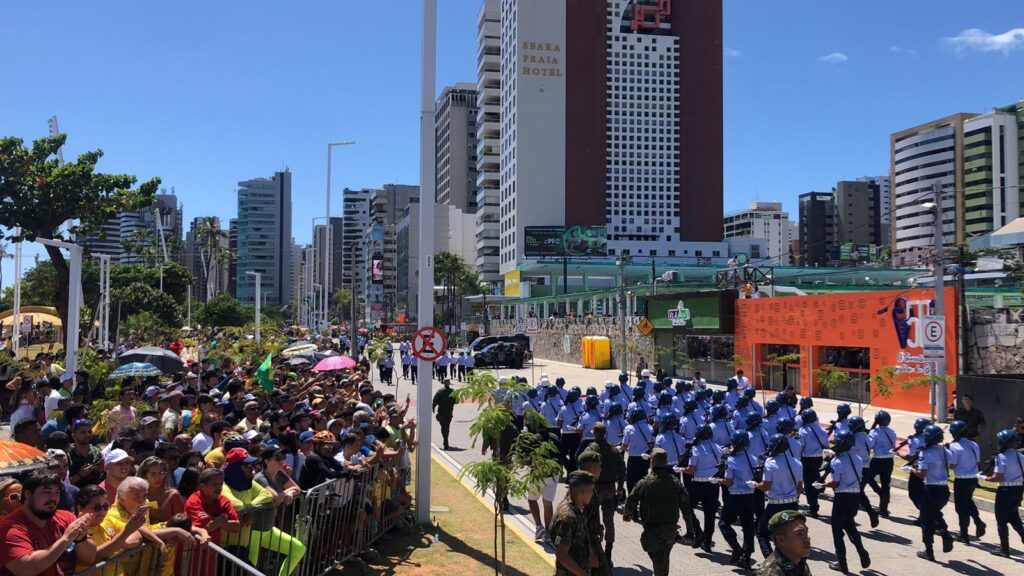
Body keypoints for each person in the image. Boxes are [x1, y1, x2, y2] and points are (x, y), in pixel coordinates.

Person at [0, 468, 97, 576]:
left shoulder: (66, 517)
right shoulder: (8, 529)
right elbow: (26, 569)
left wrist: (81, 538)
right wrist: (66, 539)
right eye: (47, 492)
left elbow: (89, 559)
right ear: (28, 494)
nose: (53, 498)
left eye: (57, 492)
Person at [624, 448, 695, 576]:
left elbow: (631, 500)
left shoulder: (645, 482)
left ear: (652, 462)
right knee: (662, 558)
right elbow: (686, 508)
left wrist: (627, 515)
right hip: (670, 530)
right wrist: (690, 531)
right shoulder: (676, 482)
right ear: (666, 462)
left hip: (652, 528)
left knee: (659, 559)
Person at [817, 430, 871, 573]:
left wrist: (823, 485)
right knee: (850, 525)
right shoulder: (857, 458)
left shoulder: (837, 462)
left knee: (837, 530)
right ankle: (860, 549)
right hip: (855, 496)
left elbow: (836, 483)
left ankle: (842, 562)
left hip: (842, 498)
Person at [580, 423, 624, 567]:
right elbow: (622, 469)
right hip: (610, 488)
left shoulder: (590, 449)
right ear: (605, 433)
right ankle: (608, 553)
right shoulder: (613, 450)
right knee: (609, 521)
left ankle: (592, 551)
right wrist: (620, 487)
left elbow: (581, 464)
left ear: (594, 433)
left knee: (590, 519)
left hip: (594, 488)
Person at [755, 433, 804, 558]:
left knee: (762, 533)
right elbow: (799, 488)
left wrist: (755, 485)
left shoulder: (770, 463)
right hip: (793, 504)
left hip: (775, 506)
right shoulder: (797, 463)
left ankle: (772, 561)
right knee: (789, 536)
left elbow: (766, 486)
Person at [911, 425, 955, 561]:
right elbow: (952, 465)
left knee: (926, 520)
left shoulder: (925, 453)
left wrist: (911, 469)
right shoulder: (945, 451)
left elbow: (922, 474)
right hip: (944, 489)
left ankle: (929, 551)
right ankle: (945, 533)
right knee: (935, 513)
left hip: (931, 489)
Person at [718, 430, 759, 570]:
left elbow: (729, 482)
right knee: (748, 527)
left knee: (724, 523)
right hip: (750, 496)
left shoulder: (732, 460)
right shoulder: (753, 458)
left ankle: (736, 548)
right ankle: (746, 557)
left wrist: (719, 480)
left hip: (735, 496)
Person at [980, 428, 1024, 557]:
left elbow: (998, 477)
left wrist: (984, 478)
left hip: (1005, 490)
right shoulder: (1021, 456)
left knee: (1001, 519)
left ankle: (1004, 549)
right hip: (1018, 490)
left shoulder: (1001, 457)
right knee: (1013, 515)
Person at [550, 470, 597, 576]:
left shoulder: (576, 507)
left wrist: (590, 553)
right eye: (591, 491)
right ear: (582, 493)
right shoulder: (568, 517)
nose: (592, 494)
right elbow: (562, 555)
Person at [946, 419, 985, 544]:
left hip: (961, 480)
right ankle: (978, 522)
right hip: (973, 478)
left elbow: (952, 465)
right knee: (968, 501)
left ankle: (964, 534)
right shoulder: (974, 444)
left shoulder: (954, 446)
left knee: (961, 508)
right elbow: (977, 461)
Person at [575, 451, 609, 576]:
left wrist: (598, 527)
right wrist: (591, 552)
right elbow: (581, 524)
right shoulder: (583, 490)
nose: (601, 469)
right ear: (591, 468)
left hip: (591, 542)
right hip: (586, 546)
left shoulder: (589, 486)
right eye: (599, 466)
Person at [757, 510, 812, 576]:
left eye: (806, 532)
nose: (807, 538)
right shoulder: (771, 572)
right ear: (781, 540)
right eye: (799, 533)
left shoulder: (799, 561)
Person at [797, 409, 828, 519]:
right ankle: (819, 487)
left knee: (809, 484)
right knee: (814, 478)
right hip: (818, 458)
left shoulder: (803, 431)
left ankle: (813, 508)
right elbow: (826, 444)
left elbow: (800, 447)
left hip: (806, 459)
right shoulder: (822, 430)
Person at [865, 410, 896, 518]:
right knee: (886, 484)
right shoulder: (892, 431)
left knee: (868, 477)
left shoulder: (874, 432)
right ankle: (884, 509)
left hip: (878, 459)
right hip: (889, 460)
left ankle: (880, 493)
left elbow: (870, 445)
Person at [432, 379, 457, 450]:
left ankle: (445, 440)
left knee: (443, 427)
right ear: (449, 384)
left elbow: (435, 400)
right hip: (449, 412)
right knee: (447, 427)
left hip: (441, 412)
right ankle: (446, 440)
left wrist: (433, 407)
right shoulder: (452, 391)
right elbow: (457, 401)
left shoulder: (440, 391)